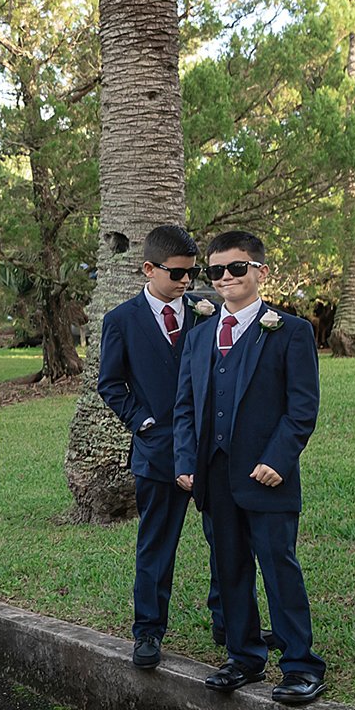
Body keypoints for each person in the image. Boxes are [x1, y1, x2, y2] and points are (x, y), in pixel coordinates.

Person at [174, 230, 325, 706]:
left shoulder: (291, 332)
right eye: (215, 271)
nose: (224, 278)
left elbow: (301, 409)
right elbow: (185, 408)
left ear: (260, 272)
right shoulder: (199, 339)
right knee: (229, 567)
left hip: (267, 474)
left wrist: (278, 459)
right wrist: (185, 462)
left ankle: (301, 665)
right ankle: (243, 656)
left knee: (279, 567)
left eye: (236, 268)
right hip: (214, 475)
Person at [95, 225, 242, 668]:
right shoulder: (120, 320)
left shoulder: (208, 311)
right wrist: (144, 423)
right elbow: (111, 384)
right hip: (157, 450)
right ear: (149, 268)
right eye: (178, 274)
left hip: (212, 449)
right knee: (157, 544)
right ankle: (148, 632)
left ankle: (229, 622)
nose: (187, 283)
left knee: (226, 540)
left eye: (193, 274)